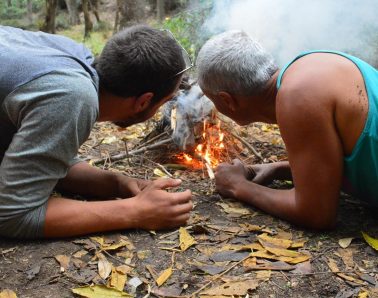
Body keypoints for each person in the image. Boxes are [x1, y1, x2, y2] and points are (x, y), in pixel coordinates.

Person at [0, 24, 193, 239]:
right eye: (163, 102)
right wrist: (135, 211)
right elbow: (12, 214)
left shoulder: (70, 55)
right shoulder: (71, 95)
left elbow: (41, 163)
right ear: (144, 101)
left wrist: (118, 184)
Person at [196, 30, 378, 230]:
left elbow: (316, 213)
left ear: (227, 100)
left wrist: (238, 186)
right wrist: (278, 169)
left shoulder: (298, 96)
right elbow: (336, 161)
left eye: (212, 100)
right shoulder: (312, 63)